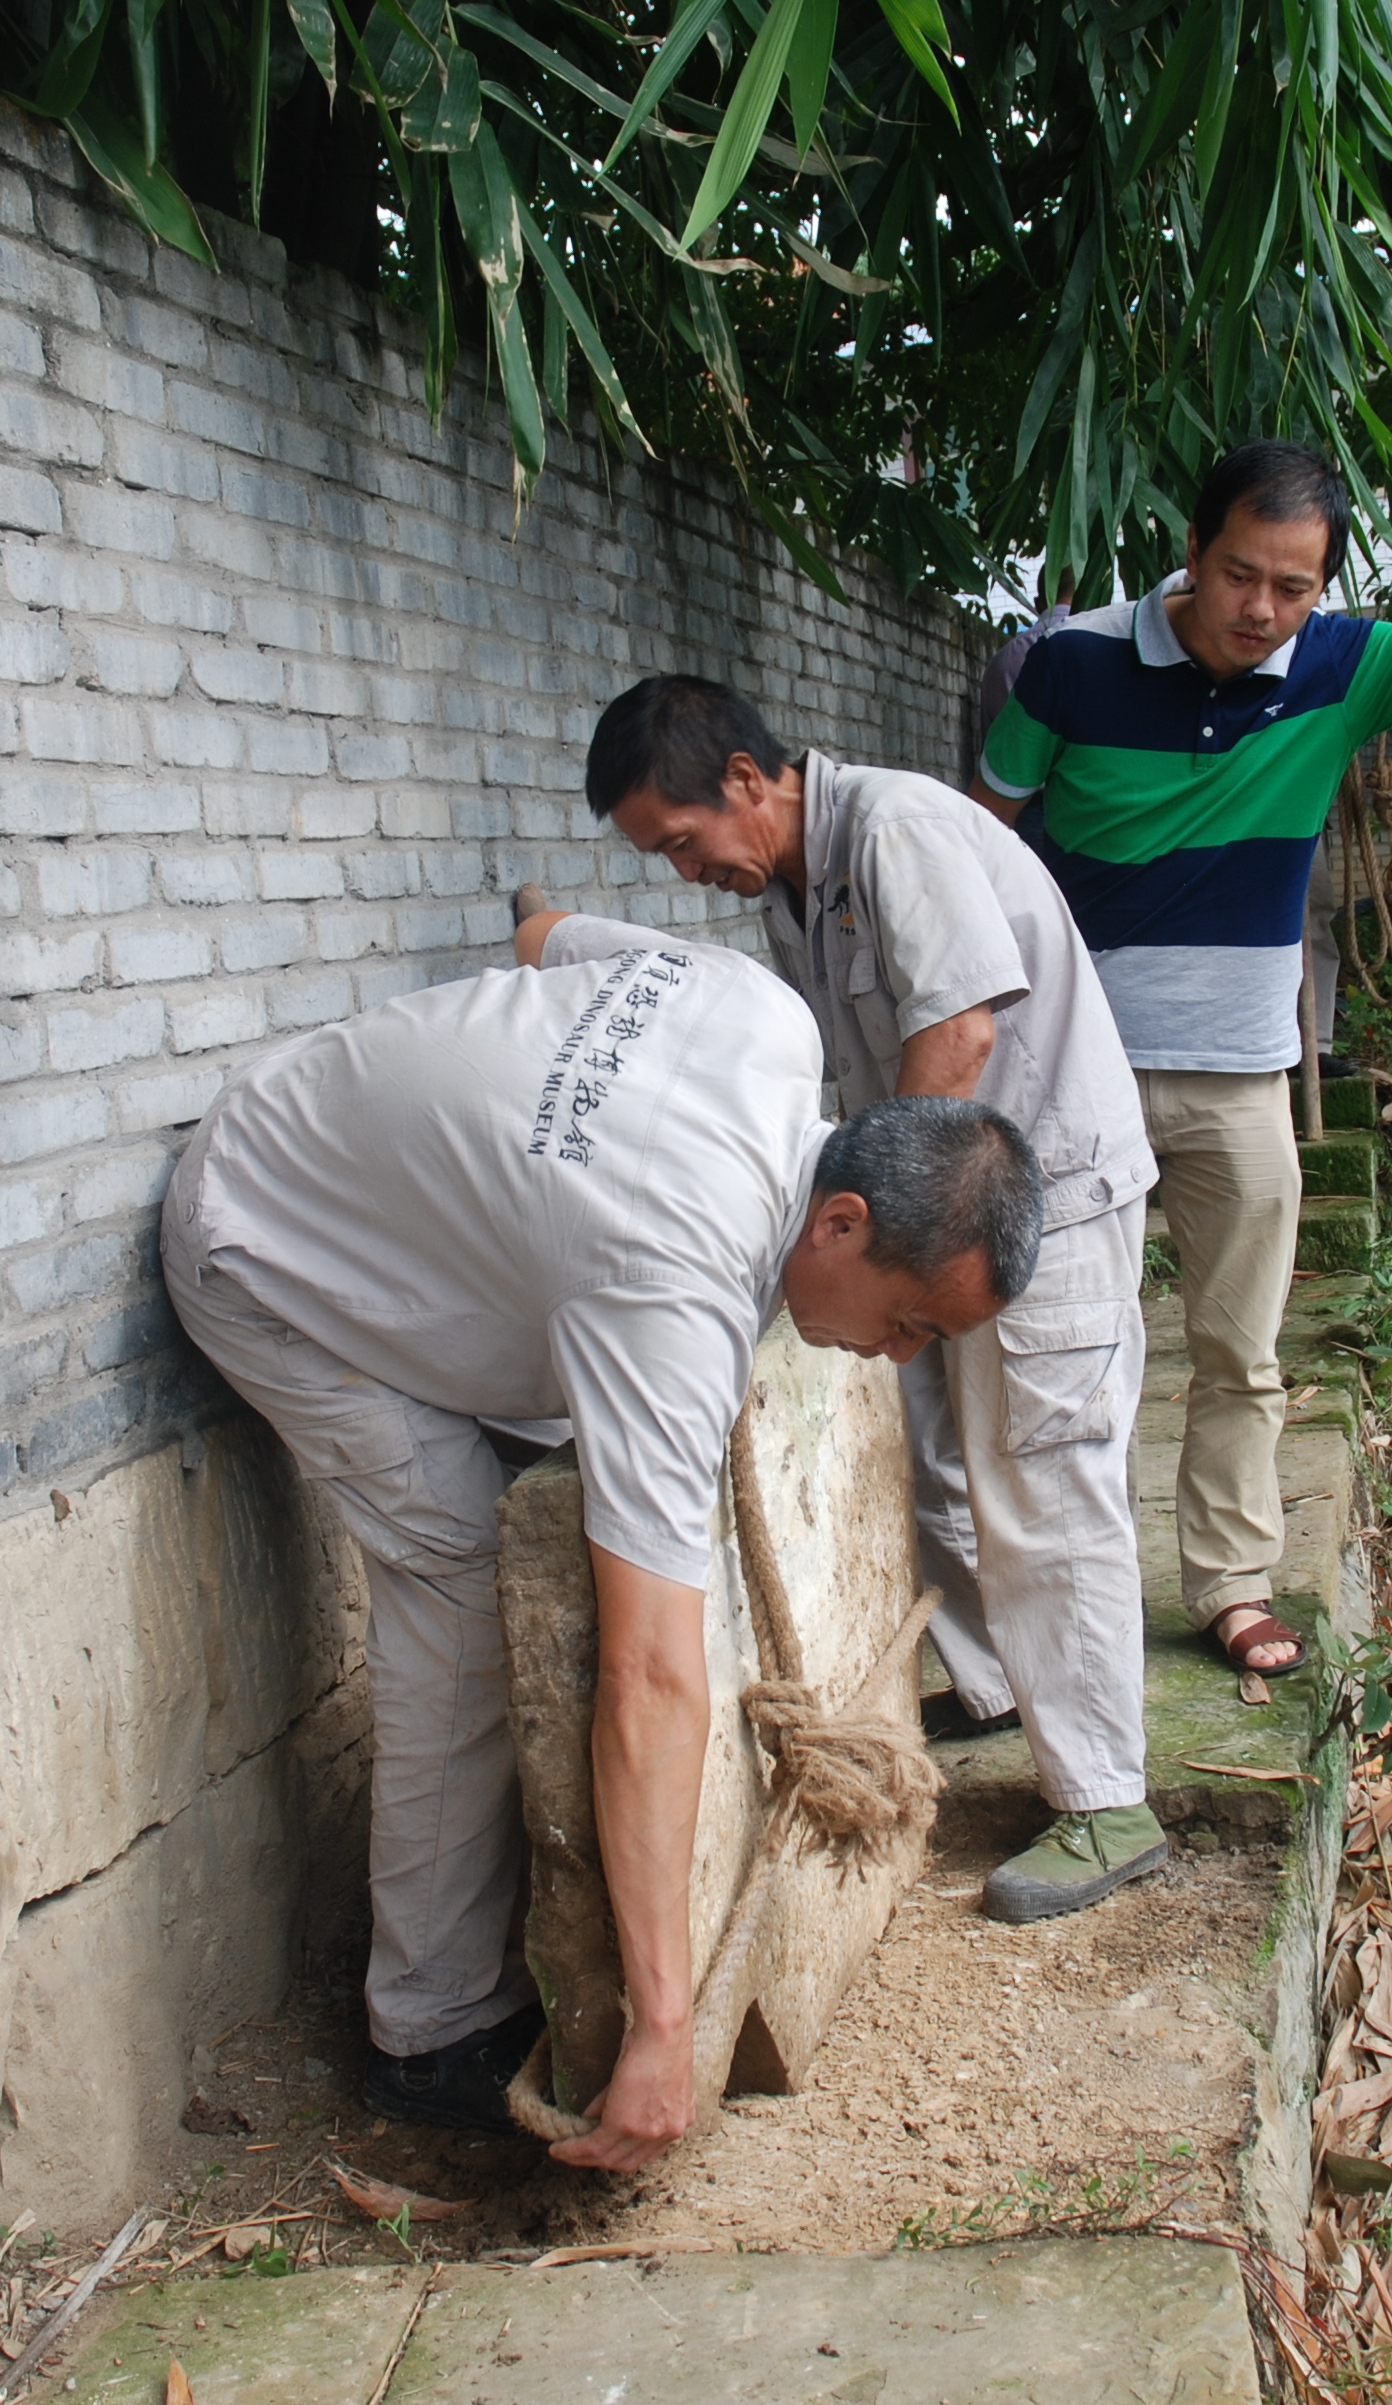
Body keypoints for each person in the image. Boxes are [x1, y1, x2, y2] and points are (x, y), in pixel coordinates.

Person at [158, 947, 1043, 2164]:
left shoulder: (765, 1013)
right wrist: (662, 2028)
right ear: (838, 1220)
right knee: (464, 1581)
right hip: (260, 1238)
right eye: (906, 1323)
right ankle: (427, 2032)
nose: (895, 1358)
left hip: (339, 1140)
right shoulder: (668, 1290)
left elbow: (553, 939)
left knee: (565, 1497)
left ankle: (493, 1913)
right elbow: (650, 1680)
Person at [971, 381, 1392, 1681]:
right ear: (1192, 552)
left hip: (1245, 1087)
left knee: (1241, 1352)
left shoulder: (1341, 667)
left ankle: (1231, 1584)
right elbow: (980, 845)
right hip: (1077, 1082)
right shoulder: (1067, 664)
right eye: (1241, 573)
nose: (1262, 609)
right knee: (1060, 1348)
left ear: (1322, 589)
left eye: (1293, 586)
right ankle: (1038, 1604)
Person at [535, 675, 1165, 1926]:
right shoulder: (793, 883)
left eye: (679, 842)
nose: (683, 873)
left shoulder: (890, 830)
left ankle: (1109, 1801)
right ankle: (995, 1698)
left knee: (1042, 1479)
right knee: (939, 1460)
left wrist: (880, 1236)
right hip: (935, 1221)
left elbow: (960, 1038)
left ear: (743, 783)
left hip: (1021, 1205)